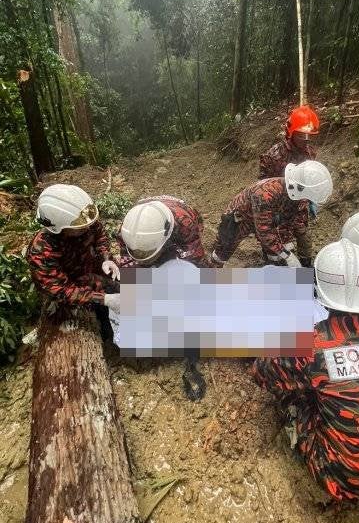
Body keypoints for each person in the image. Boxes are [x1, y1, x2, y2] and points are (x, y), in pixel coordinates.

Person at [250, 239, 359, 502]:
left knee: (293, 392)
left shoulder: (310, 344)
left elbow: (262, 374)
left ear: (317, 287)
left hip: (342, 481)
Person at [119, 196, 213, 400]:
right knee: (139, 279)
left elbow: (200, 269)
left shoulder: (187, 228)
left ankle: (191, 358)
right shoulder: (130, 230)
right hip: (153, 234)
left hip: (179, 231)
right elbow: (127, 261)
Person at [26, 184, 120, 342]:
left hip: (90, 271)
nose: (87, 227)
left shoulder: (82, 220)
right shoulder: (42, 251)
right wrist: (104, 299)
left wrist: (106, 258)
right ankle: (106, 333)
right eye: (80, 228)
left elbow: (99, 234)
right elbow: (62, 291)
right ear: (59, 228)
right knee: (100, 311)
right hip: (71, 290)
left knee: (123, 288)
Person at [211, 160, 333, 267]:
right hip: (241, 218)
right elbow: (264, 230)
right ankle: (211, 276)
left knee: (277, 255)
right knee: (224, 249)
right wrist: (287, 255)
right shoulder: (265, 194)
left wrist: (303, 259)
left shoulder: (298, 197)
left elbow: (298, 226)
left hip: (270, 218)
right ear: (300, 188)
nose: (306, 201)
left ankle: (272, 270)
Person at [259, 105, 320, 180]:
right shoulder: (274, 157)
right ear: (291, 134)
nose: (306, 140)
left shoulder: (311, 153)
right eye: (301, 135)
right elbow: (263, 185)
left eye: (308, 136)